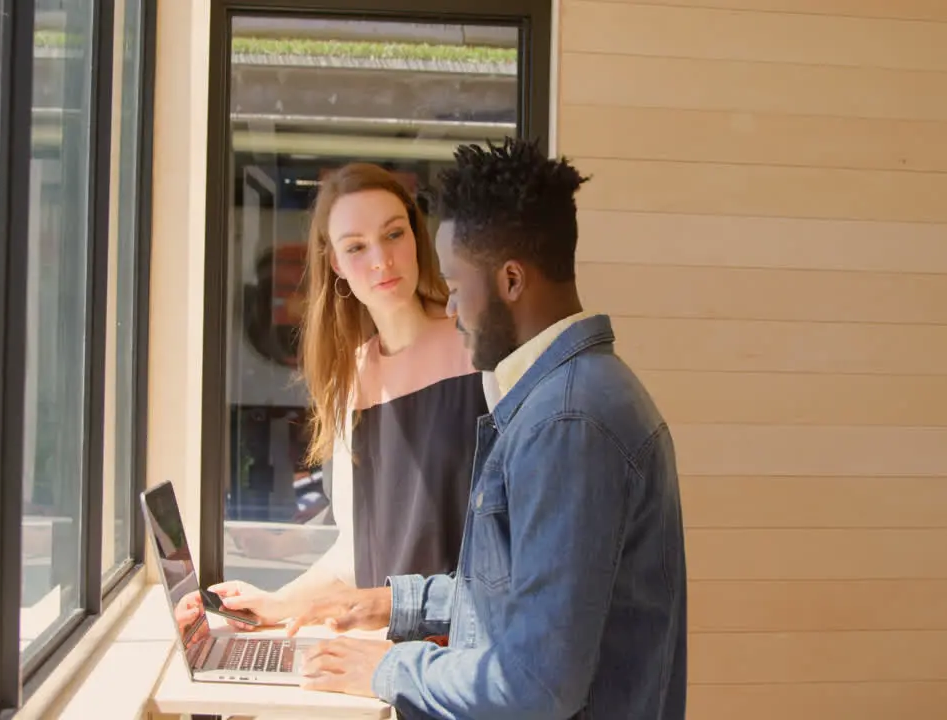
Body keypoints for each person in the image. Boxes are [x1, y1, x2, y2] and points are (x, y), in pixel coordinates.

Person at [289, 138, 688, 718]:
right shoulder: (569, 397)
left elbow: (535, 685)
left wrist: (387, 668)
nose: (448, 308)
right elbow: (519, 597)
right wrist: (391, 604)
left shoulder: (568, 422)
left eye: (454, 285)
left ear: (510, 281)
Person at [203, 163, 494, 630]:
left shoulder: (481, 352)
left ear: (417, 238)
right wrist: (276, 604)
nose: (382, 259)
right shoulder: (348, 384)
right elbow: (355, 558)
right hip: (386, 656)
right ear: (336, 263)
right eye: (357, 247)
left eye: (394, 234)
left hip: (469, 656)